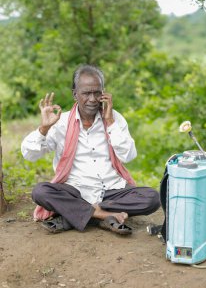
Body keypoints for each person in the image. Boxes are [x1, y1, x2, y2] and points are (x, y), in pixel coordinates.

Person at [21, 64, 160, 235]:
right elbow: (29, 155)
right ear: (75, 94)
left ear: (104, 92)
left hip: (111, 192)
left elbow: (129, 156)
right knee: (41, 192)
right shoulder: (61, 122)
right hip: (75, 191)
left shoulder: (114, 118)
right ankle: (103, 216)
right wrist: (43, 128)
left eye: (97, 92)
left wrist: (109, 123)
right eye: (86, 93)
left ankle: (76, 215)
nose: (93, 99)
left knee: (152, 198)